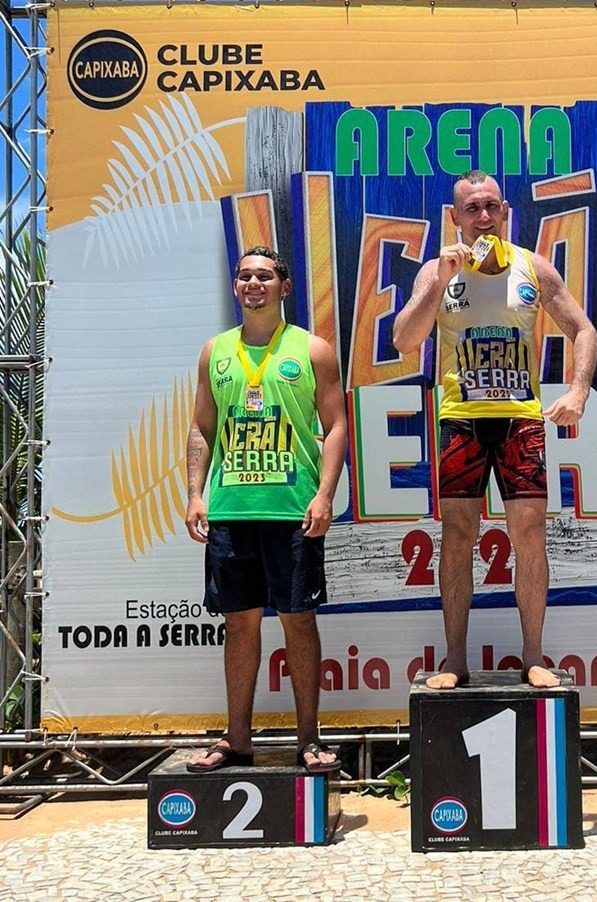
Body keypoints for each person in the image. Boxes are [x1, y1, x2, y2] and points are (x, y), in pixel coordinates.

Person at [393, 171, 597, 689]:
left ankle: (533, 654)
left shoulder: (533, 266)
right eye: (471, 209)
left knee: (529, 534)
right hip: (461, 418)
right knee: (458, 535)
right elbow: (403, 339)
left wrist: (576, 392)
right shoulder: (437, 270)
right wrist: (439, 281)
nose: (482, 217)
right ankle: (455, 659)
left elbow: (583, 329)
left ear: (504, 210)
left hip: (520, 419)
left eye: (490, 207)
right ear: (455, 216)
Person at [184, 246, 347, 773]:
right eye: (245, 276)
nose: (254, 284)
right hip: (231, 508)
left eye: (265, 277)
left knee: (299, 621)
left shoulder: (313, 350)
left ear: (285, 287)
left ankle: (309, 739)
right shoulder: (215, 352)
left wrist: (324, 494)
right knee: (240, 624)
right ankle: (237, 741)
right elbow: (202, 427)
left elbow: (338, 424)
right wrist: (195, 493)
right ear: (236, 286)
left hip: (293, 509)